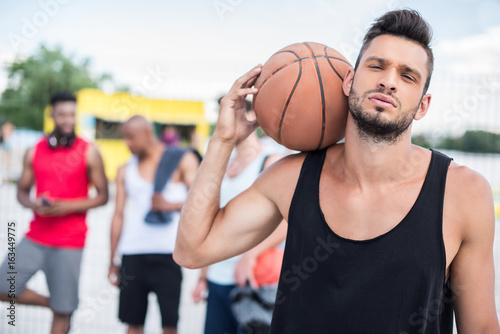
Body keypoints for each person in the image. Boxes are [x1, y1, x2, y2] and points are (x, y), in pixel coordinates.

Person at [174, 9, 500, 333]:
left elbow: (482, 327)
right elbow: (192, 249)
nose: (388, 81)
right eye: (377, 66)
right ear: (349, 80)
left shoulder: (463, 193)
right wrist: (223, 140)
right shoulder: (292, 177)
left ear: (423, 106)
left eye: (407, 76)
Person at [0, 91, 109, 334]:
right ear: (52, 115)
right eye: (62, 115)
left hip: (70, 242)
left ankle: (62, 307)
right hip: (35, 237)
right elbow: (21, 192)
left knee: (64, 311)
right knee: (3, 287)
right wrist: (33, 204)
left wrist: (65, 206)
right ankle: (57, 305)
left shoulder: (89, 151)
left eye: (72, 114)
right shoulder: (34, 150)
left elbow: (103, 197)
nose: (68, 120)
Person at [191, 99, 286, 334]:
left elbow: (288, 220)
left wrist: (250, 256)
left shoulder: (270, 161)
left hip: (253, 279)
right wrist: (203, 276)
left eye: (233, 114)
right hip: (218, 277)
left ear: (253, 116)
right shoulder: (224, 165)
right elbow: (213, 222)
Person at [108, 116, 199, 334]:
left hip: (169, 254)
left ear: (148, 134)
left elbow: (202, 202)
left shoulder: (181, 159)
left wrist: (172, 205)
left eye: (131, 137)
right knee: (132, 323)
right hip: (133, 254)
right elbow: (118, 215)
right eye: (124, 138)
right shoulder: (125, 169)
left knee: (169, 324)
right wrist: (112, 259)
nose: (127, 143)